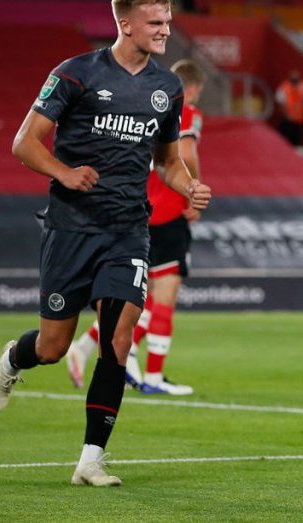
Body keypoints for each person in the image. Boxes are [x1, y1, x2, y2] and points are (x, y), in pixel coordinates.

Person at [0, 0, 211, 486]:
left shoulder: (166, 88)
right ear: (124, 23)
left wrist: (189, 186)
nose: (164, 31)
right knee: (52, 347)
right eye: (155, 23)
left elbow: (168, 162)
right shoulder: (76, 74)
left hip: (129, 230)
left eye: (168, 22)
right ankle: (14, 358)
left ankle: (91, 458)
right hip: (71, 228)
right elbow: (25, 143)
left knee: (117, 340)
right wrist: (64, 173)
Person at [66, 59, 209, 396]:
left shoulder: (144, 106)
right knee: (163, 299)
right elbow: (185, 153)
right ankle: (152, 375)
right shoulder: (187, 110)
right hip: (170, 212)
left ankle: (87, 348)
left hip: (140, 211)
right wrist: (193, 190)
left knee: (140, 300)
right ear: (192, 88)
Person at [275, 70, 303, 146]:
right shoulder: (284, 87)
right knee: (286, 135)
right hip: (288, 117)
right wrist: (284, 113)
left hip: (298, 118)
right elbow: (280, 101)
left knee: (296, 137)